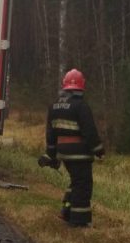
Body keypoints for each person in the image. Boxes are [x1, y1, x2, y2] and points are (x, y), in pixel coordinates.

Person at [39, 68, 104, 227]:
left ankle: (66, 212)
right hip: (80, 154)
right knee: (83, 185)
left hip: (64, 153)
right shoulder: (81, 106)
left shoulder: (54, 106)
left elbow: (51, 133)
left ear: (65, 85)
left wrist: (51, 154)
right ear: (82, 86)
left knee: (75, 182)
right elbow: (89, 131)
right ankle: (79, 221)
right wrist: (99, 150)